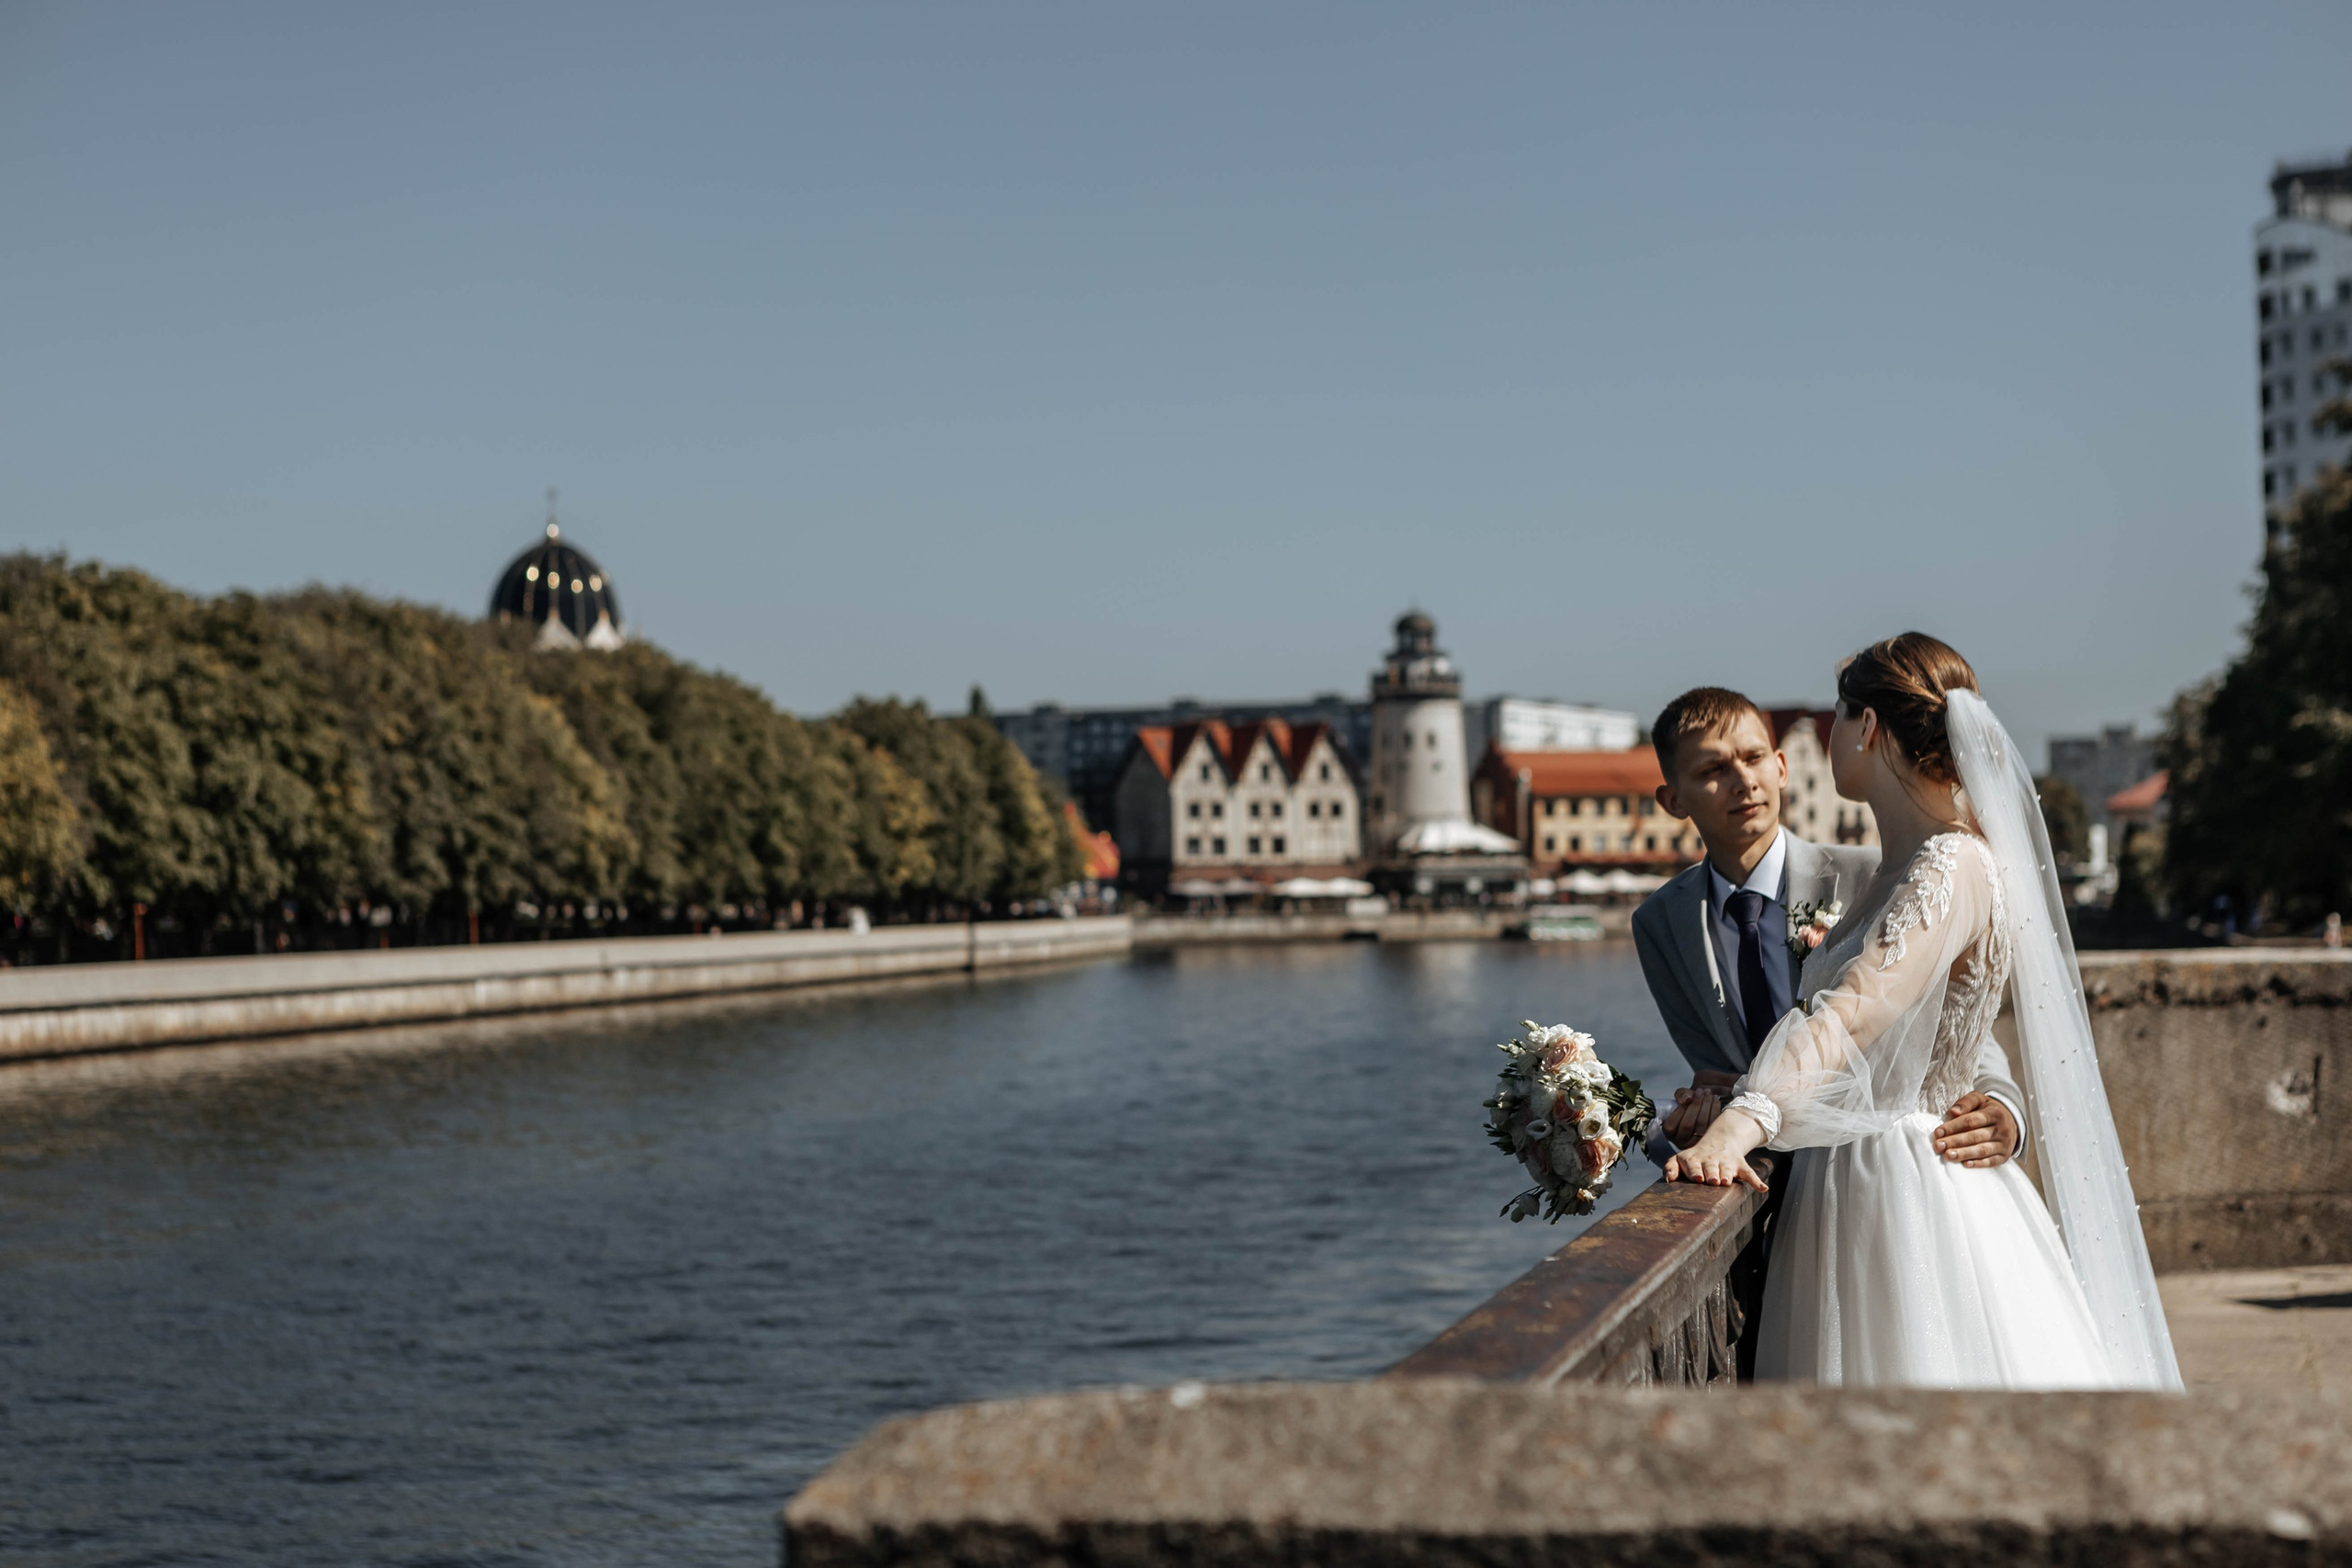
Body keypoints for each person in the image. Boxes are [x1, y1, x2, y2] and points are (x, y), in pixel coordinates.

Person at [1664, 635, 2180, 1389]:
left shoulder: (1953, 864)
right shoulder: (1898, 871)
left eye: (1838, 715)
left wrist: (1738, 1125)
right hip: (1846, 1182)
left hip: (1905, 1187)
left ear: (1867, 727)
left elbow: (1853, 1012)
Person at [1631, 687, 2025, 1378]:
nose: (1743, 780)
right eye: (1713, 770)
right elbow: (1715, 1068)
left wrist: (2004, 1107)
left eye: (1754, 757)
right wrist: (1688, 1125)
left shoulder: (1876, 871)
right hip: (1778, 1203)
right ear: (1674, 800)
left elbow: (1950, 1022)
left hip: (1888, 1187)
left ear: (1783, 766)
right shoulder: (1659, 923)